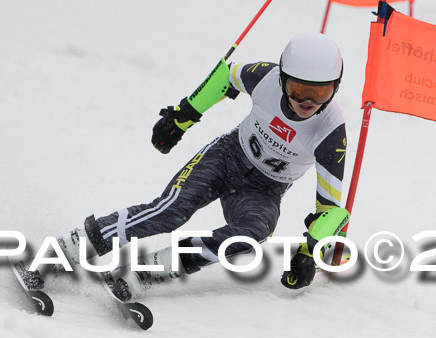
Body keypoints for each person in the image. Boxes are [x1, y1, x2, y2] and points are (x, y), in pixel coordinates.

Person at [55, 32, 349, 300]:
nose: (306, 101)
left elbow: (331, 210)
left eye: (320, 93)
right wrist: (182, 118)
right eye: (297, 89)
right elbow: (226, 76)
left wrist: (310, 251)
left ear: (335, 88)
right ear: (283, 78)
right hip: (226, 157)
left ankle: (147, 271)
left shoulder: (330, 133)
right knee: (171, 211)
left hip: (264, 190)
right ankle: (73, 245)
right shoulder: (265, 77)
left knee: (254, 232)